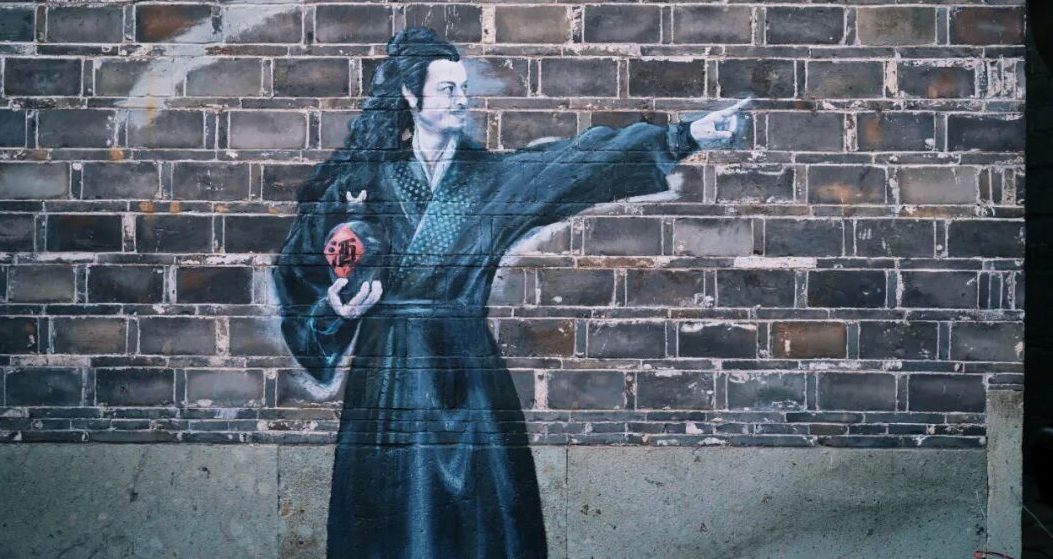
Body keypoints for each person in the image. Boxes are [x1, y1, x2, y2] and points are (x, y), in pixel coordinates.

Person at [274, 27, 749, 559]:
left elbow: (575, 164)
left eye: (463, 88)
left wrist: (684, 136)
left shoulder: (490, 180)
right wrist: (333, 311)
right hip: (388, 372)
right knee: (393, 516)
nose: (462, 99)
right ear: (410, 95)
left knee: (482, 518)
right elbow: (299, 271)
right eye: (447, 89)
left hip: (468, 370)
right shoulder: (361, 182)